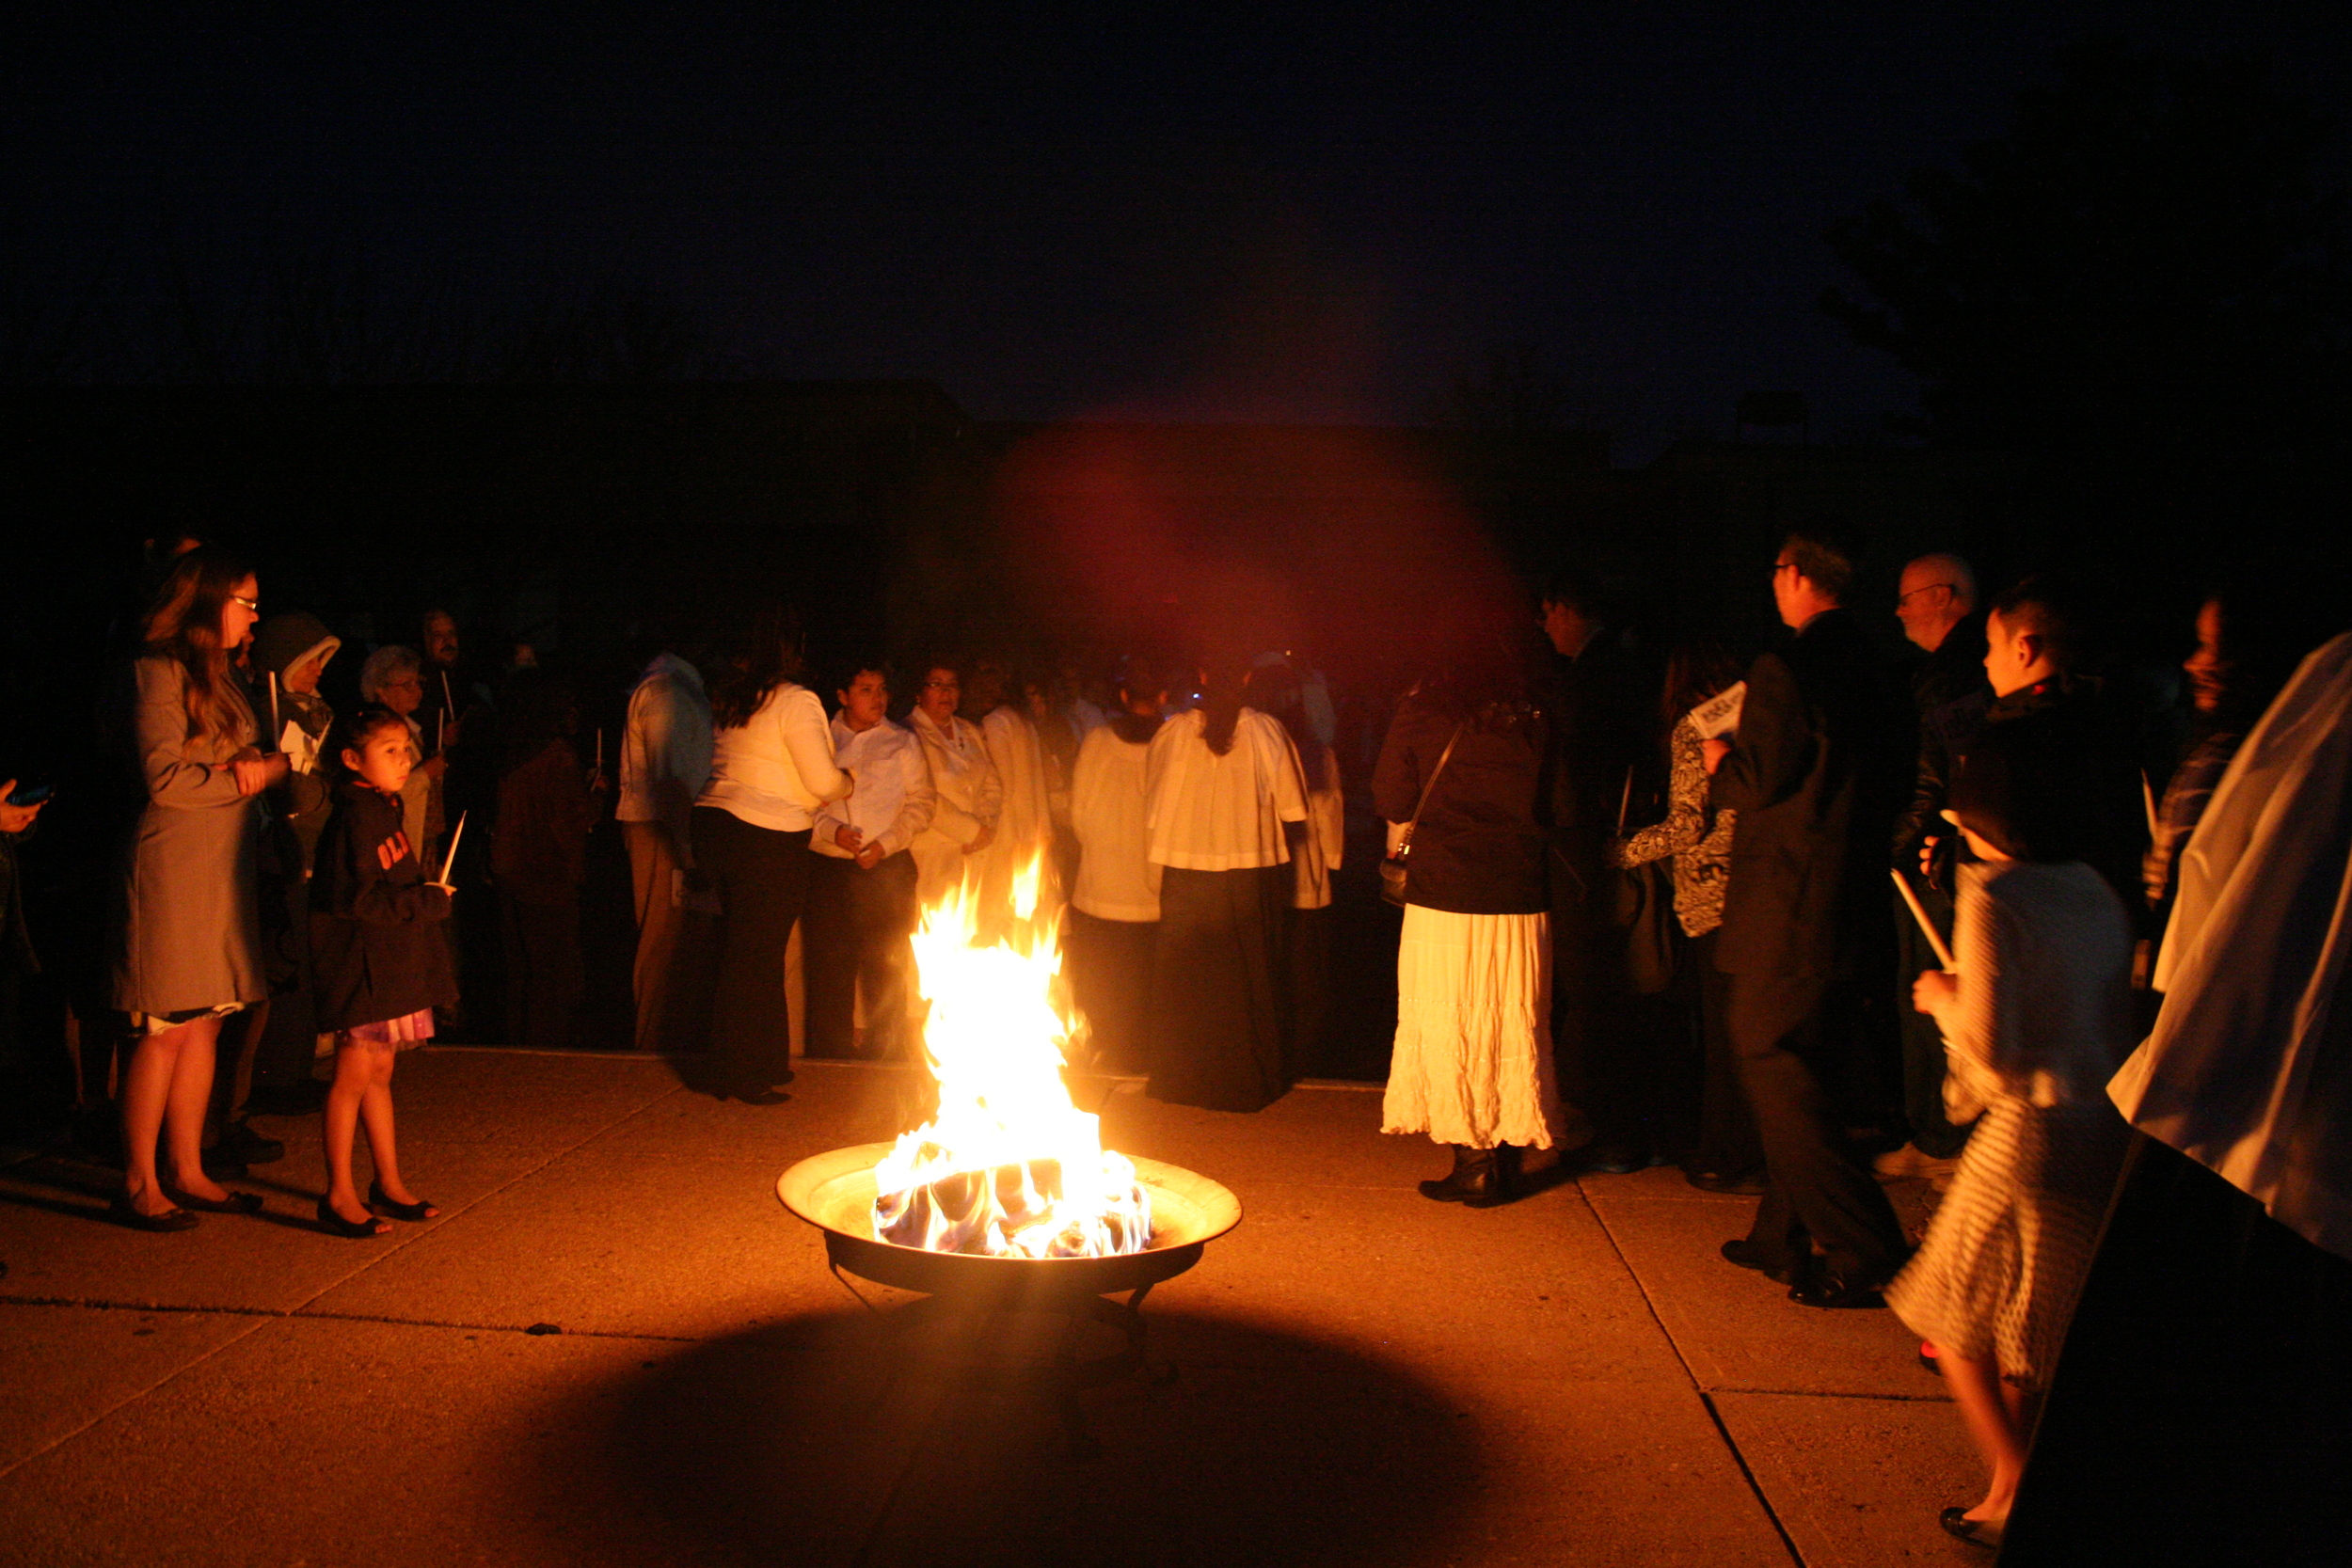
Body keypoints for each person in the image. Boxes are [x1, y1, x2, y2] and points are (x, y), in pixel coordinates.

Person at [2000, 630, 2352, 1565]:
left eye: (2218, 644)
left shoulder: (2323, 705)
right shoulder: (2314, 701)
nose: (2203, 662)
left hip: (2265, 1123)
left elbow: (2237, 894)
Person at [1884, 721, 2137, 1550]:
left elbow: (1992, 1045)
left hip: (2025, 1130)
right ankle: (2002, 1497)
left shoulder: (1993, 895)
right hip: (2099, 1126)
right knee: (2028, 1328)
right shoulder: (2097, 888)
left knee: (1953, 1320)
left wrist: (1940, 993)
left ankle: (2020, 1481)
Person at [1703, 528, 1910, 1307]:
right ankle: (1778, 1232)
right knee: (1805, 1062)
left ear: (1794, 578)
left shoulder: (1786, 667)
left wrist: (1723, 761)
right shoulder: (1882, 670)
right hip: (1848, 896)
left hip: (1787, 903)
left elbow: (1759, 781)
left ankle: (1864, 1245)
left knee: (1771, 1059)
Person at [109, 546, 285, 1229]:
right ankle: (139, 1179)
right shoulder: (156, 672)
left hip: (222, 870)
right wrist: (245, 776)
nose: (254, 614)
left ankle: (188, 1167)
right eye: (245, 600)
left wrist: (253, 768)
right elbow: (163, 778)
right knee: (163, 1029)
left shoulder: (227, 678)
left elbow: (221, 756)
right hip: (174, 872)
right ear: (211, 601)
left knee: (206, 1022)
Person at [1376, 610, 1565, 1203]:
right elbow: (1562, 806)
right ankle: (1501, 1163)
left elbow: (1390, 794)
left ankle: (1472, 1161)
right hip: (1518, 894)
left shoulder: (1425, 706)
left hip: (1446, 894)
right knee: (1508, 1021)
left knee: (1452, 1020)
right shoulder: (1541, 716)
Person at [1608, 641, 1756, 1192]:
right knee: (1743, 1030)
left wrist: (1621, 851)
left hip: (1710, 894)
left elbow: (1687, 824)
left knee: (1721, 1035)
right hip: (1753, 885)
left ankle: (1724, 1152)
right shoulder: (1759, 721)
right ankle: (1741, 1144)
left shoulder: (1694, 731)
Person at [691, 604, 852, 1101]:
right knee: (757, 956)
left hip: (717, 825)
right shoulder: (797, 700)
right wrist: (846, 781)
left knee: (744, 949)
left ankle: (763, 1062)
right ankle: (738, 1074)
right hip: (766, 835)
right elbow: (821, 779)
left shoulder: (740, 697)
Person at [307, 706, 454, 1238]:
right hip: (363, 969)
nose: (405, 759)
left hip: (390, 967)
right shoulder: (354, 816)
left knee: (381, 1073)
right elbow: (354, 899)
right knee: (351, 1074)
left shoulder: (381, 807)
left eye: (405, 748)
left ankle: (387, 1182)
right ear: (352, 759)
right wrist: (424, 904)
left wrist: (423, 899)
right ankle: (338, 1193)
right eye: (389, 750)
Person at [1142, 653, 1308, 1112]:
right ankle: (1246, 1082)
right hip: (1247, 872)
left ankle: (1182, 1081)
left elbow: (1153, 809)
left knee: (1189, 978)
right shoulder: (1265, 730)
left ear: (1201, 673)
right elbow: (1294, 808)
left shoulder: (1174, 733)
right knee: (1245, 977)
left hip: (1187, 872)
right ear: (1249, 677)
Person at [1538, 565, 1657, 1172]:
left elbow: (1574, 773)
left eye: (1549, 612)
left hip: (1588, 851)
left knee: (1593, 991)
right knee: (1604, 991)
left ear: (1567, 609)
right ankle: (1612, 1123)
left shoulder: (1592, 676)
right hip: (1602, 846)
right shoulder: (1623, 667)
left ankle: (1604, 1125)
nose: (1545, 625)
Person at [1882, 553, 1991, 1184]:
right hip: (1953, 856)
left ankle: (1939, 1136)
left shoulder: (1950, 676)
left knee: (1928, 991)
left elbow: (1933, 776)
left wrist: (1898, 845)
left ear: (1944, 596)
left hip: (1935, 866)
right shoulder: (1949, 670)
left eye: (1907, 596)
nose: (1897, 609)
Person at [805, 662, 934, 1061]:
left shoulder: (901, 741)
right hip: (830, 868)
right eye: (865, 689)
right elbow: (802, 803)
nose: (877, 699)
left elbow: (922, 803)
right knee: (831, 966)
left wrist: (885, 844)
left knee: (887, 965)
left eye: (881, 689)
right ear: (843, 696)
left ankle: (887, 1056)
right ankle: (830, 1057)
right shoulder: (818, 740)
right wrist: (833, 832)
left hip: (887, 868)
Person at [240, 612, 342, 1117]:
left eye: (324, 659)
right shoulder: (271, 714)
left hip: (310, 852)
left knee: (304, 962)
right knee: (286, 964)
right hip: (285, 856)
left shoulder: (314, 714)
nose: (320, 668)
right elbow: (288, 790)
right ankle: (275, 1077)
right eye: (311, 658)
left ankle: (294, 1069)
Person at [616, 637, 718, 1053]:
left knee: (674, 941)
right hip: (662, 830)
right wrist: (687, 850)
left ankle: (667, 1041)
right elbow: (669, 778)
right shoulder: (665, 691)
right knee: (662, 942)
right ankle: (652, 1047)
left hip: (669, 826)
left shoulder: (676, 686)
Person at [492, 671, 600, 1049]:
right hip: (548, 875)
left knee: (521, 969)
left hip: (513, 873)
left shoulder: (514, 752)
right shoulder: (558, 757)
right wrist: (595, 799)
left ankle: (519, 1044)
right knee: (551, 972)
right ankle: (547, 1048)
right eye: (569, 707)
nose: (575, 715)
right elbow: (567, 820)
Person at [1067, 659, 1166, 1073]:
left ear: (1123, 698)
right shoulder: (1171, 745)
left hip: (1099, 889)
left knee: (1103, 983)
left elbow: (1079, 814)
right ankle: (1139, 1062)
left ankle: (1105, 1059)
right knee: (1144, 986)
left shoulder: (1097, 741)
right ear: (1162, 698)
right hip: (1151, 891)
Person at [1249, 659, 1343, 1077]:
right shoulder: (1316, 753)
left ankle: (1272, 1051)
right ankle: (1308, 1056)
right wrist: (1333, 861)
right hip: (1308, 883)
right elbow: (1330, 816)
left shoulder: (1255, 747)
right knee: (1307, 977)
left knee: (1272, 972)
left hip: (1265, 880)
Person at [966, 656, 1057, 929]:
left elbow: (1001, 783)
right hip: (1033, 829)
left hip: (1009, 833)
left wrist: (984, 829)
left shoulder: (996, 723)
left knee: (1001, 914)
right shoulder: (1023, 722)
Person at [905, 662, 1002, 911]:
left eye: (952, 685)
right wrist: (968, 831)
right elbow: (919, 793)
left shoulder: (968, 730)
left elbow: (991, 781)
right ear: (919, 693)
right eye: (936, 684)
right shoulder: (908, 734)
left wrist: (985, 824)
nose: (945, 692)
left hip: (980, 847)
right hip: (933, 850)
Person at [357, 645, 442, 863]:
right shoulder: (373, 736)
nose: (417, 690)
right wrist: (426, 773)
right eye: (407, 685)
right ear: (381, 690)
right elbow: (383, 793)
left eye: (417, 682)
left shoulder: (412, 730)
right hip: (398, 843)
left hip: (423, 839)